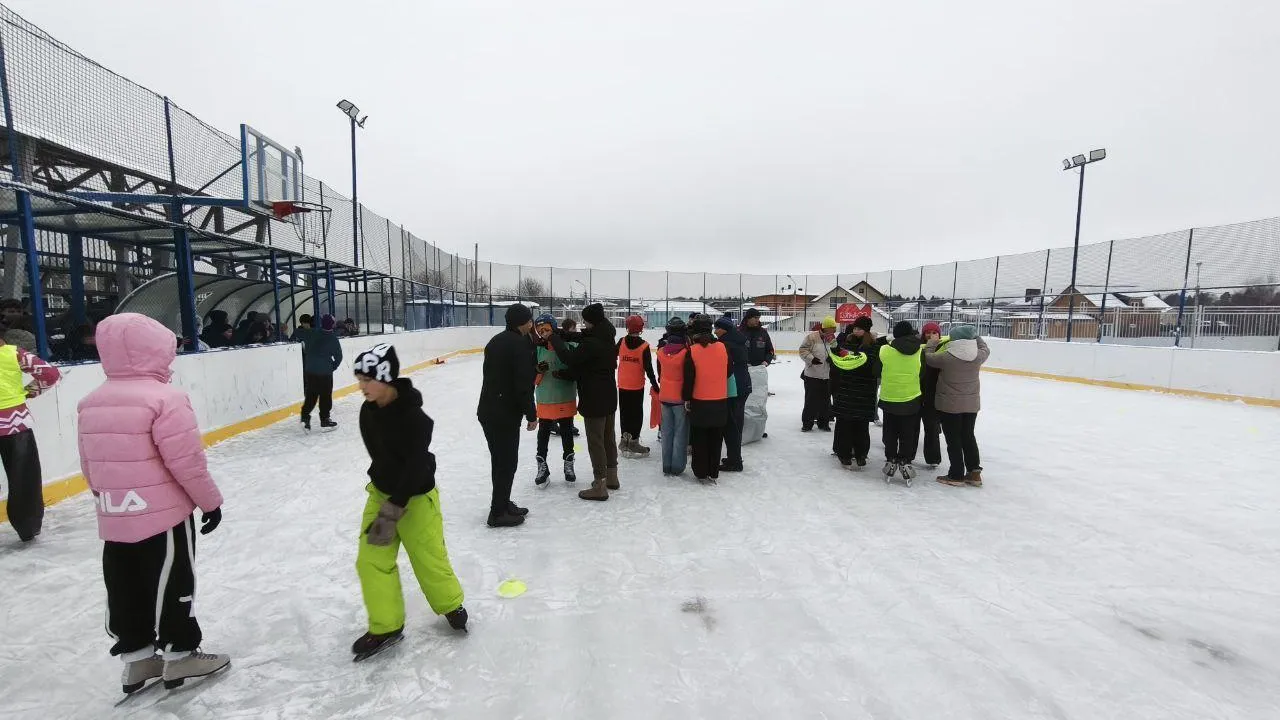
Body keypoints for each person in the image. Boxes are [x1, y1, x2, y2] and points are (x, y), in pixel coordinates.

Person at [77, 313, 228, 694]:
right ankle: (180, 656)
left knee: (125, 584)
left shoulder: (91, 402)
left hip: (114, 514)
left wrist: (107, 501)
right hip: (163, 517)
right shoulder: (166, 399)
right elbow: (187, 462)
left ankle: (138, 658)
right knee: (172, 578)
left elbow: (89, 465)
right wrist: (209, 502)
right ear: (156, 352)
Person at [351, 343, 468, 659]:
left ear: (385, 377)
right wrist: (385, 499)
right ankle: (386, 625)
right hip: (383, 497)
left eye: (366, 379)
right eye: (359, 379)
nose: (360, 386)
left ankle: (450, 604)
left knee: (428, 557)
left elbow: (415, 466)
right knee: (371, 559)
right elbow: (381, 457)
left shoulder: (416, 420)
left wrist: (395, 506)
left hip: (415, 499)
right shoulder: (368, 411)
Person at [547, 302, 619, 501]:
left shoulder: (592, 343)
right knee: (608, 438)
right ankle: (612, 477)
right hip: (609, 395)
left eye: (586, 321)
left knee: (596, 442)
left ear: (592, 322)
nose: (584, 325)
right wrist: (564, 334)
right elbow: (583, 337)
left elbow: (570, 358)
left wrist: (554, 337)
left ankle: (600, 485)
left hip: (594, 397)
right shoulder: (605, 335)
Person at [476, 304, 538, 526]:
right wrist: (531, 414)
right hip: (503, 414)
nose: (532, 324)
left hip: (489, 410)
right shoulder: (519, 345)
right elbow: (522, 385)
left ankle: (502, 502)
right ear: (523, 322)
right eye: (530, 320)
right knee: (506, 462)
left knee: (500, 461)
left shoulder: (496, 341)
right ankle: (497, 513)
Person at [0, 320, 60, 542]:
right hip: (16, 425)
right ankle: (28, 527)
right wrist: (27, 394)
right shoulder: (13, 354)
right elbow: (50, 375)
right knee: (24, 479)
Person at [924, 324, 990, 487]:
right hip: (971, 405)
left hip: (950, 405)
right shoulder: (978, 355)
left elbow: (929, 357)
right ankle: (974, 473)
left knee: (953, 439)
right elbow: (985, 347)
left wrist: (932, 342)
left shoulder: (946, 357)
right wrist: (975, 336)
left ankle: (956, 474)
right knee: (968, 436)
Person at [682, 315, 730, 481]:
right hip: (720, 399)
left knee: (699, 437)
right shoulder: (723, 348)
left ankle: (700, 471)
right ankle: (713, 471)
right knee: (716, 438)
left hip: (699, 401)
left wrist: (686, 398)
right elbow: (729, 371)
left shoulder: (692, 351)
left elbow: (688, 379)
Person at [532, 313, 577, 486]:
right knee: (543, 432)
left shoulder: (568, 345)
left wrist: (568, 374)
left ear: (553, 327)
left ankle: (568, 463)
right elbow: (531, 378)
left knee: (566, 430)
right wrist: (537, 370)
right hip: (545, 397)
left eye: (546, 329)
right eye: (540, 330)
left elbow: (577, 369)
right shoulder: (537, 349)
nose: (543, 332)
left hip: (564, 396)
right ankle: (542, 466)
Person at [827, 322, 880, 469]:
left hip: (864, 392)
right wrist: (834, 347)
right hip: (847, 391)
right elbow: (838, 359)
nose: (856, 331)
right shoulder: (847, 343)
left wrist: (850, 358)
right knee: (845, 425)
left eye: (859, 328)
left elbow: (870, 365)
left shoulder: (873, 347)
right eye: (855, 328)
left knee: (861, 426)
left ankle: (861, 454)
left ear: (867, 331)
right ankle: (844, 454)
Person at [878, 320, 924, 481]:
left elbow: (877, 366)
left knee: (890, 431)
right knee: (907, 432)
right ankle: (904, 460)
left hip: (889, 397)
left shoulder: (884, 350)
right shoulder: (920, 350)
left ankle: (891, 459)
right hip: (911, 398)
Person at [616, 315, 658, 458]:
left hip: (623, 385)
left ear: (628, 327)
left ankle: (624, 440)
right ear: (641, 328)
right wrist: (655, 385)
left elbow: (610, 357)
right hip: (636, 386)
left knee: (624, 412)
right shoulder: (644, 346)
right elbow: (649, 368)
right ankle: (633, 441)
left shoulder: (621, 342)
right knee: (636, 413)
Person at [714, 315, 751, 472]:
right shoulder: (737, 340)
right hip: (743, 385)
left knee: (731, 426)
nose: (715, 331)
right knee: (735, 424)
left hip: (734, 388)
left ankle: (735, 461)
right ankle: (734, 458)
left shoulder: (725, 344)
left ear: (724, 329)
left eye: (717, 328)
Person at [655, 317, 690, 476]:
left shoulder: (661, 352)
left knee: (667, 432)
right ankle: (677, 466)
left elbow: (660, 373)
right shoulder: (686, 352)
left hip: (664, 396)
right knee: (680, 433)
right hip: (679, 398)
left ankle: (666, 465)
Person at [298, 314, 343, 431]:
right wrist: (332, 366)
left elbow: (298, 334)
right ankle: (325, 419)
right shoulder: (333, 338)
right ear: (332, 325)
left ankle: (305, 417)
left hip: (311, 370)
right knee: (325, 396)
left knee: (311, 395)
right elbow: (338, 356)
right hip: (325, 372)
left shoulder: (312, 333)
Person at [798, 317, 837, 432]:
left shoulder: (832, 339)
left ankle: (823, 423)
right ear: (825, 328)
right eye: (831, 328)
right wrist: (812, 359)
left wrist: (833, 359)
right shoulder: (812, 337)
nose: (833, 331)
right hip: (812, 375)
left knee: (825, 402)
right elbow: (802, 350)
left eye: (834, 329)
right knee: (811, 401)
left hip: (827, 375)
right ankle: (807, 423)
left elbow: (837, 351)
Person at [919, 321, 945, 469]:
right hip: (916, 390)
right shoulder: (916, 348)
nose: (930, 335)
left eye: (934, 332)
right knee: (913, 427)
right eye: (927, 332)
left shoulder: (943, 348)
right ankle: (907, 455)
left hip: (934, 393)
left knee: (932, 427)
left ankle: (933, 458)